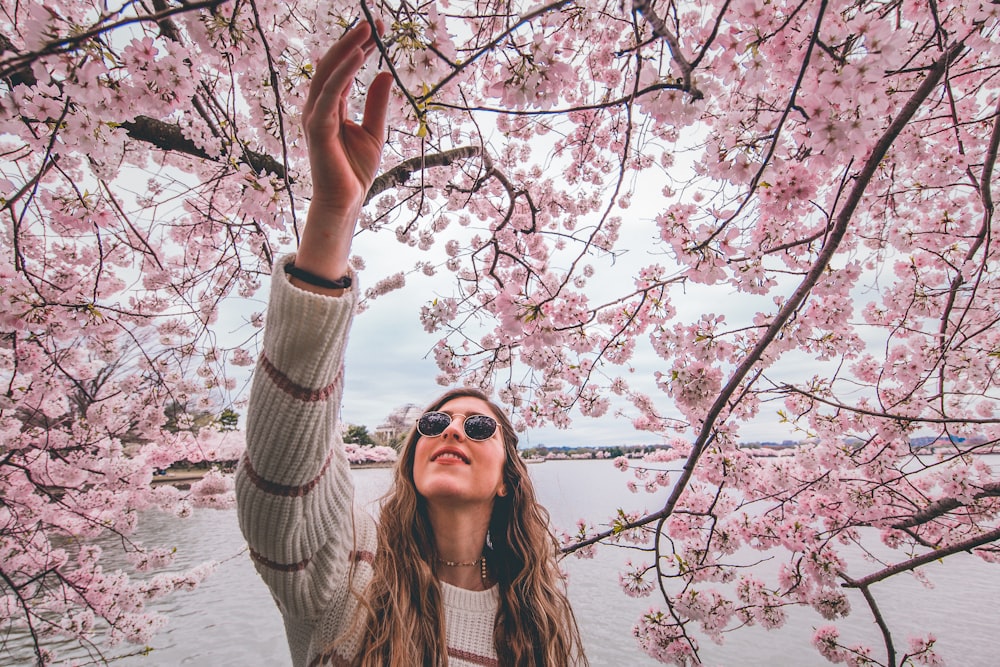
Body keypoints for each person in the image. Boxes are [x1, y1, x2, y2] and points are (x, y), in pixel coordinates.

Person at [235, 18, 588, 667]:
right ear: (409, 452)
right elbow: (282, 476)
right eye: (434, 419)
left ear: (508, 476)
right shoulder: (347, 569)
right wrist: (334, 219)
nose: (451, 429)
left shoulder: (534, 625)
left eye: (479, 425)